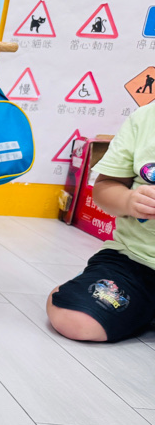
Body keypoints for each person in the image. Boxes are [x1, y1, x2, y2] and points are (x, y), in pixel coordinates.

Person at [47, 103, 155, 342]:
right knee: (74, 319)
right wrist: (130, 201)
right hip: (136, 262)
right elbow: (105, 188)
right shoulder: (145, 118)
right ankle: (95, 290)